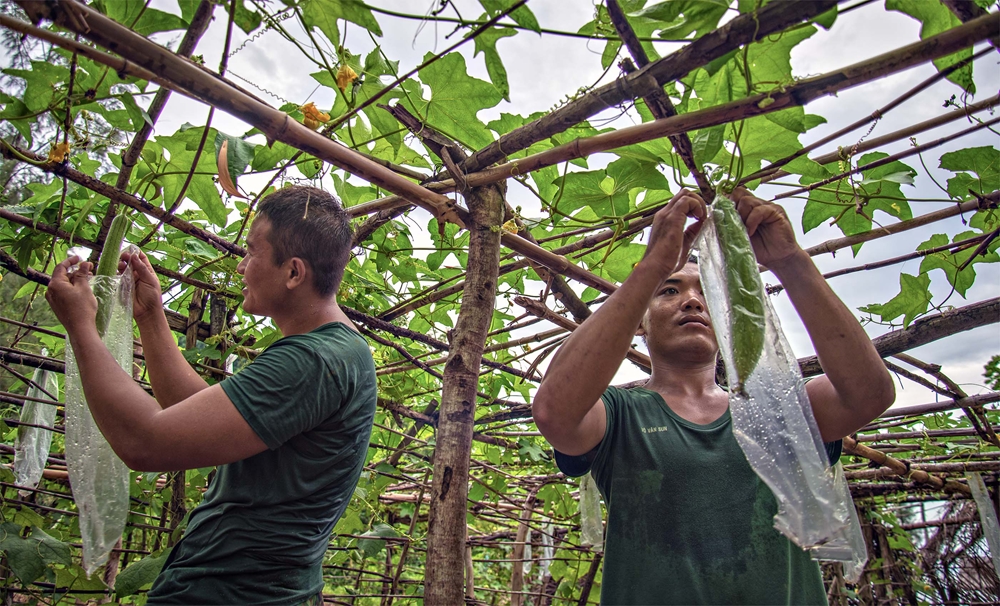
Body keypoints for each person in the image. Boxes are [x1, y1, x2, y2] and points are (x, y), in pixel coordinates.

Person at [532, 187, 895, 605]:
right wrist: (652, 267)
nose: (691, 300)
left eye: (706, 293)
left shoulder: (777, 411)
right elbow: (554, 411)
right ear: (639, 323)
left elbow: (869, 394)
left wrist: (789, 261)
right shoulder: (619, 414)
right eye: (670, 291)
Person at [45, 186, 377, 605]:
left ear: (293, 272)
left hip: (231, 594)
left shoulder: (313, 360)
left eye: (252, 253)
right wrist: (150, 315)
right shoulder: (337, 352)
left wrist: (80, 326)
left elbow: (146, 442)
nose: (240, 266)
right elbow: (197, 414)